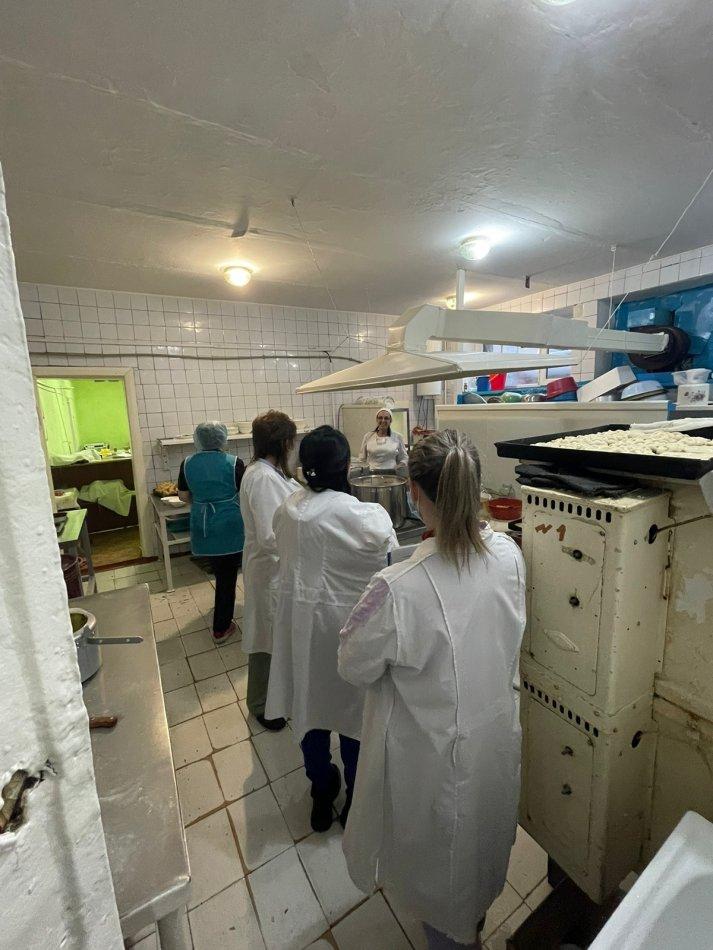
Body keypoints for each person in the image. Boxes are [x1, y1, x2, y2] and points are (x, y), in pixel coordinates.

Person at [338, 429, 526, 950]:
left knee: (442, 861)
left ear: (414, 493)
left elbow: (353, 664)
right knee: (480, 843)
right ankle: (473, 924)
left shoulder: (396, 588)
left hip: (432, 756)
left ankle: (453, 936)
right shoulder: (509, 554)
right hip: (493, 736)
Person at [266, 426, 396, 832]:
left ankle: (321, 791)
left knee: (311, 708)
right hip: (347, 631)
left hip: (303, 630)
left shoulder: (288, 508)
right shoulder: (363, 515)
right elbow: (389, 553)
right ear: (346, 468)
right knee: (355, 712)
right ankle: (355, 798)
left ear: (304, 467)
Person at [240, 410, 300, 730]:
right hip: (269, 571)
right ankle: (260, 704)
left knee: (272, 635)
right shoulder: (262, 478)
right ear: (283, 443)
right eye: (291, 440)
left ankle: (273, 698)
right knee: (265, 639)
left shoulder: (269, 472)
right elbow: (268, 536)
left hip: (274, 570)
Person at [177, 422, 245, 644]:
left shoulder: (187, 463)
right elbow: (246, 493)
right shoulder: (234, 463)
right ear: (223, 438)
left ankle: (221, 608)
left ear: (197, 439)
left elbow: (183, 496)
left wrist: (203, 500)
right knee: (228, 576)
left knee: (220, 571)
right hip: (229, 525)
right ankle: (221, 628)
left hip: (203, 524)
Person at [358, 407, 408, 473]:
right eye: (380, 418)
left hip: (392, 474)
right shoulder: (368, 436)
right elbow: (361, 458)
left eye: (386, 418)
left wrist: (398, 467)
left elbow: (404, 458)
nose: (383, 420)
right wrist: (363, 471)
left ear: (390, 421)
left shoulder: (398, 437)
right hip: (372, 474)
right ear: (377, 420)